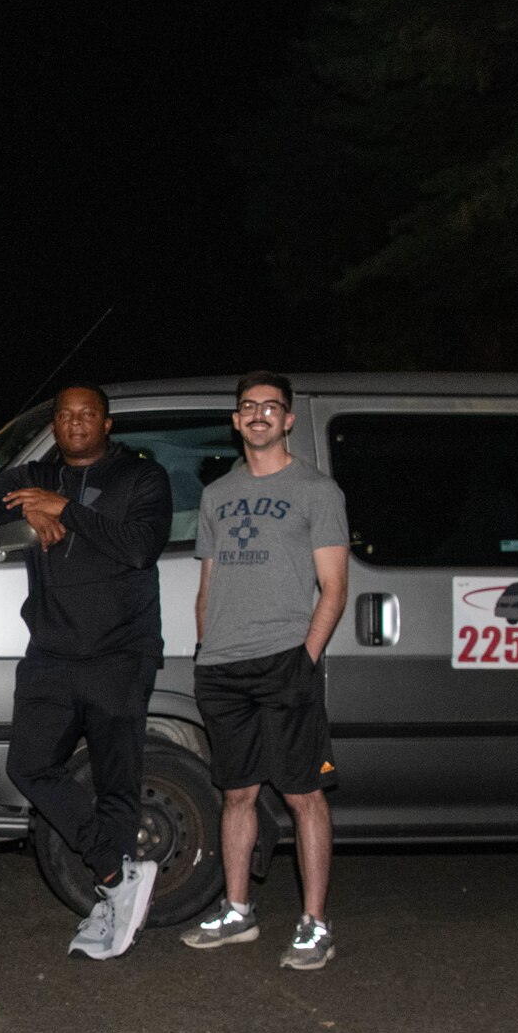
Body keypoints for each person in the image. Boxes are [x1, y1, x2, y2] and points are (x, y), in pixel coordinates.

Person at [0, 384, 172, 959]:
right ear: (55, 424)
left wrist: (65, 511)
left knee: (116, 785)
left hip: (119, 655)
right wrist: (34, 503)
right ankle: (115, 874)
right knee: (29, 764)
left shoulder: (142, 477)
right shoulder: (34, 476)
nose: (75, 422)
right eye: (65, 415)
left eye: (87, 414)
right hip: (52, 655)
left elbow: (139, 546)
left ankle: (113, 907)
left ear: (106, 424)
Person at [185, 370, 348, 971]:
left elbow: (333, 588)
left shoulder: (317, 491)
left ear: (286, 420)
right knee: (237, 794)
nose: (258, 415)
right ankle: (237, 911)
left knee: (304, 794)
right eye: (248, 407)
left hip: (285, 660)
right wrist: (207, 651)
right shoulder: (216, 496)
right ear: (235, 421)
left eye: (270, 407)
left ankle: (314, 923)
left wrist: (303, 659)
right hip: (223, 668)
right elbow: (208, 586)